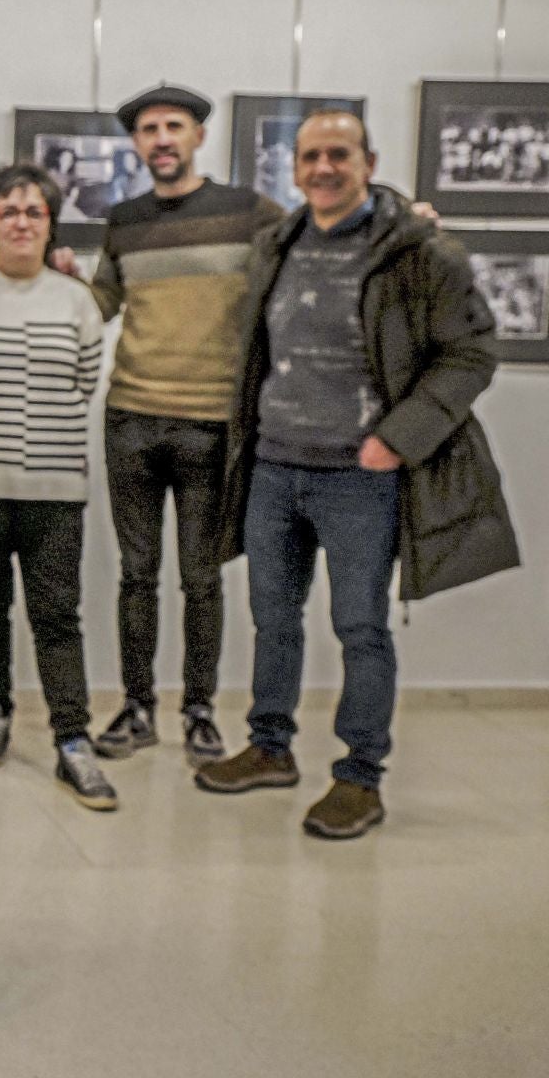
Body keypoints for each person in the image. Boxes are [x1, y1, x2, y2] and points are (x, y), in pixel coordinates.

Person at [196, 111, 518, 839]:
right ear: (295, 168)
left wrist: (399, 440)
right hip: (275, 469)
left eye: (339, 154)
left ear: (367, 161)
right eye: (311, 156)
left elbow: (472, 353)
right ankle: (270, 747)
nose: (324, 168)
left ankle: (359, 777)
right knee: (273, 620)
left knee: (360, 628)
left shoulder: (418, 251)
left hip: (359, 478)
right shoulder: (276, 244)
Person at [81, 84, 288, 767]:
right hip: (131, 419)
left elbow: (310, 250)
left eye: (174, 126)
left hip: (211, 425)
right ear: (137, 144)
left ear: (199, 136)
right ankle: (137, 708)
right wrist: (51, 284)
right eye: (148, 129)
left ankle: (199, 710)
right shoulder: (123, 220)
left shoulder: (249, 212)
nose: (162, 138)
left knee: (201, 579)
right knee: (136, 576)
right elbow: (100, 304)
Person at [0, 163, 114, 810]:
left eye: (33, 212)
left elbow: (85, 382)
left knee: (56, 616)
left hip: (55, 489)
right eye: (7, 211)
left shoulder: (76, 300)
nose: (19, 222)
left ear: (49, 224)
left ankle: (72, 741)